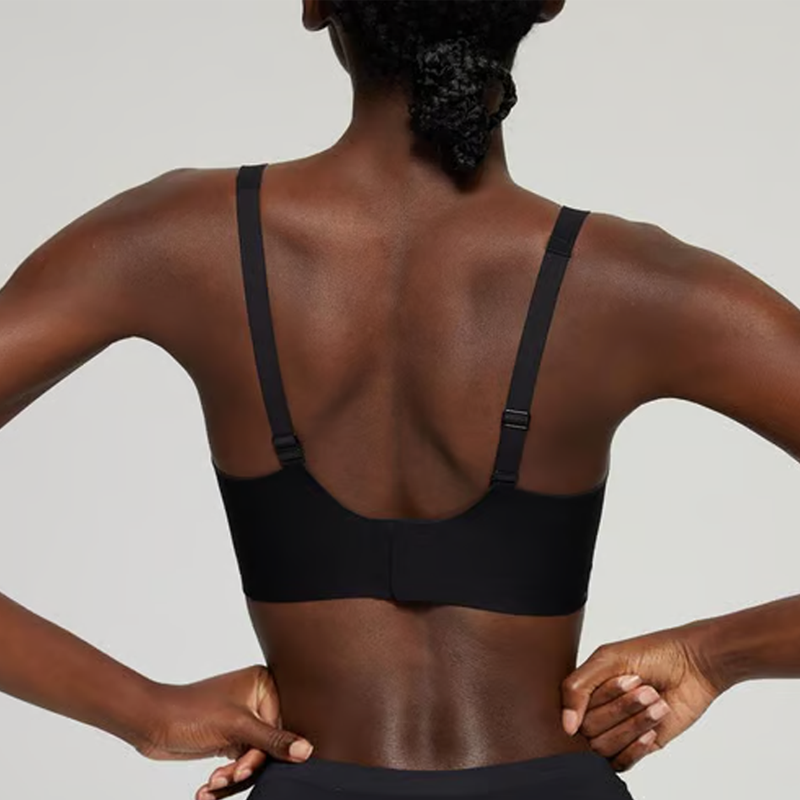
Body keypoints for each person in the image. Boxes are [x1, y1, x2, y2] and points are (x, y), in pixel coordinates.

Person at [1, 1, 800, 799]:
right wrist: (713, 654)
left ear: (316, 4)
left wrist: (145, 712)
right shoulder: (640, 282)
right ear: (546, 0)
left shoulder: (179, 240)